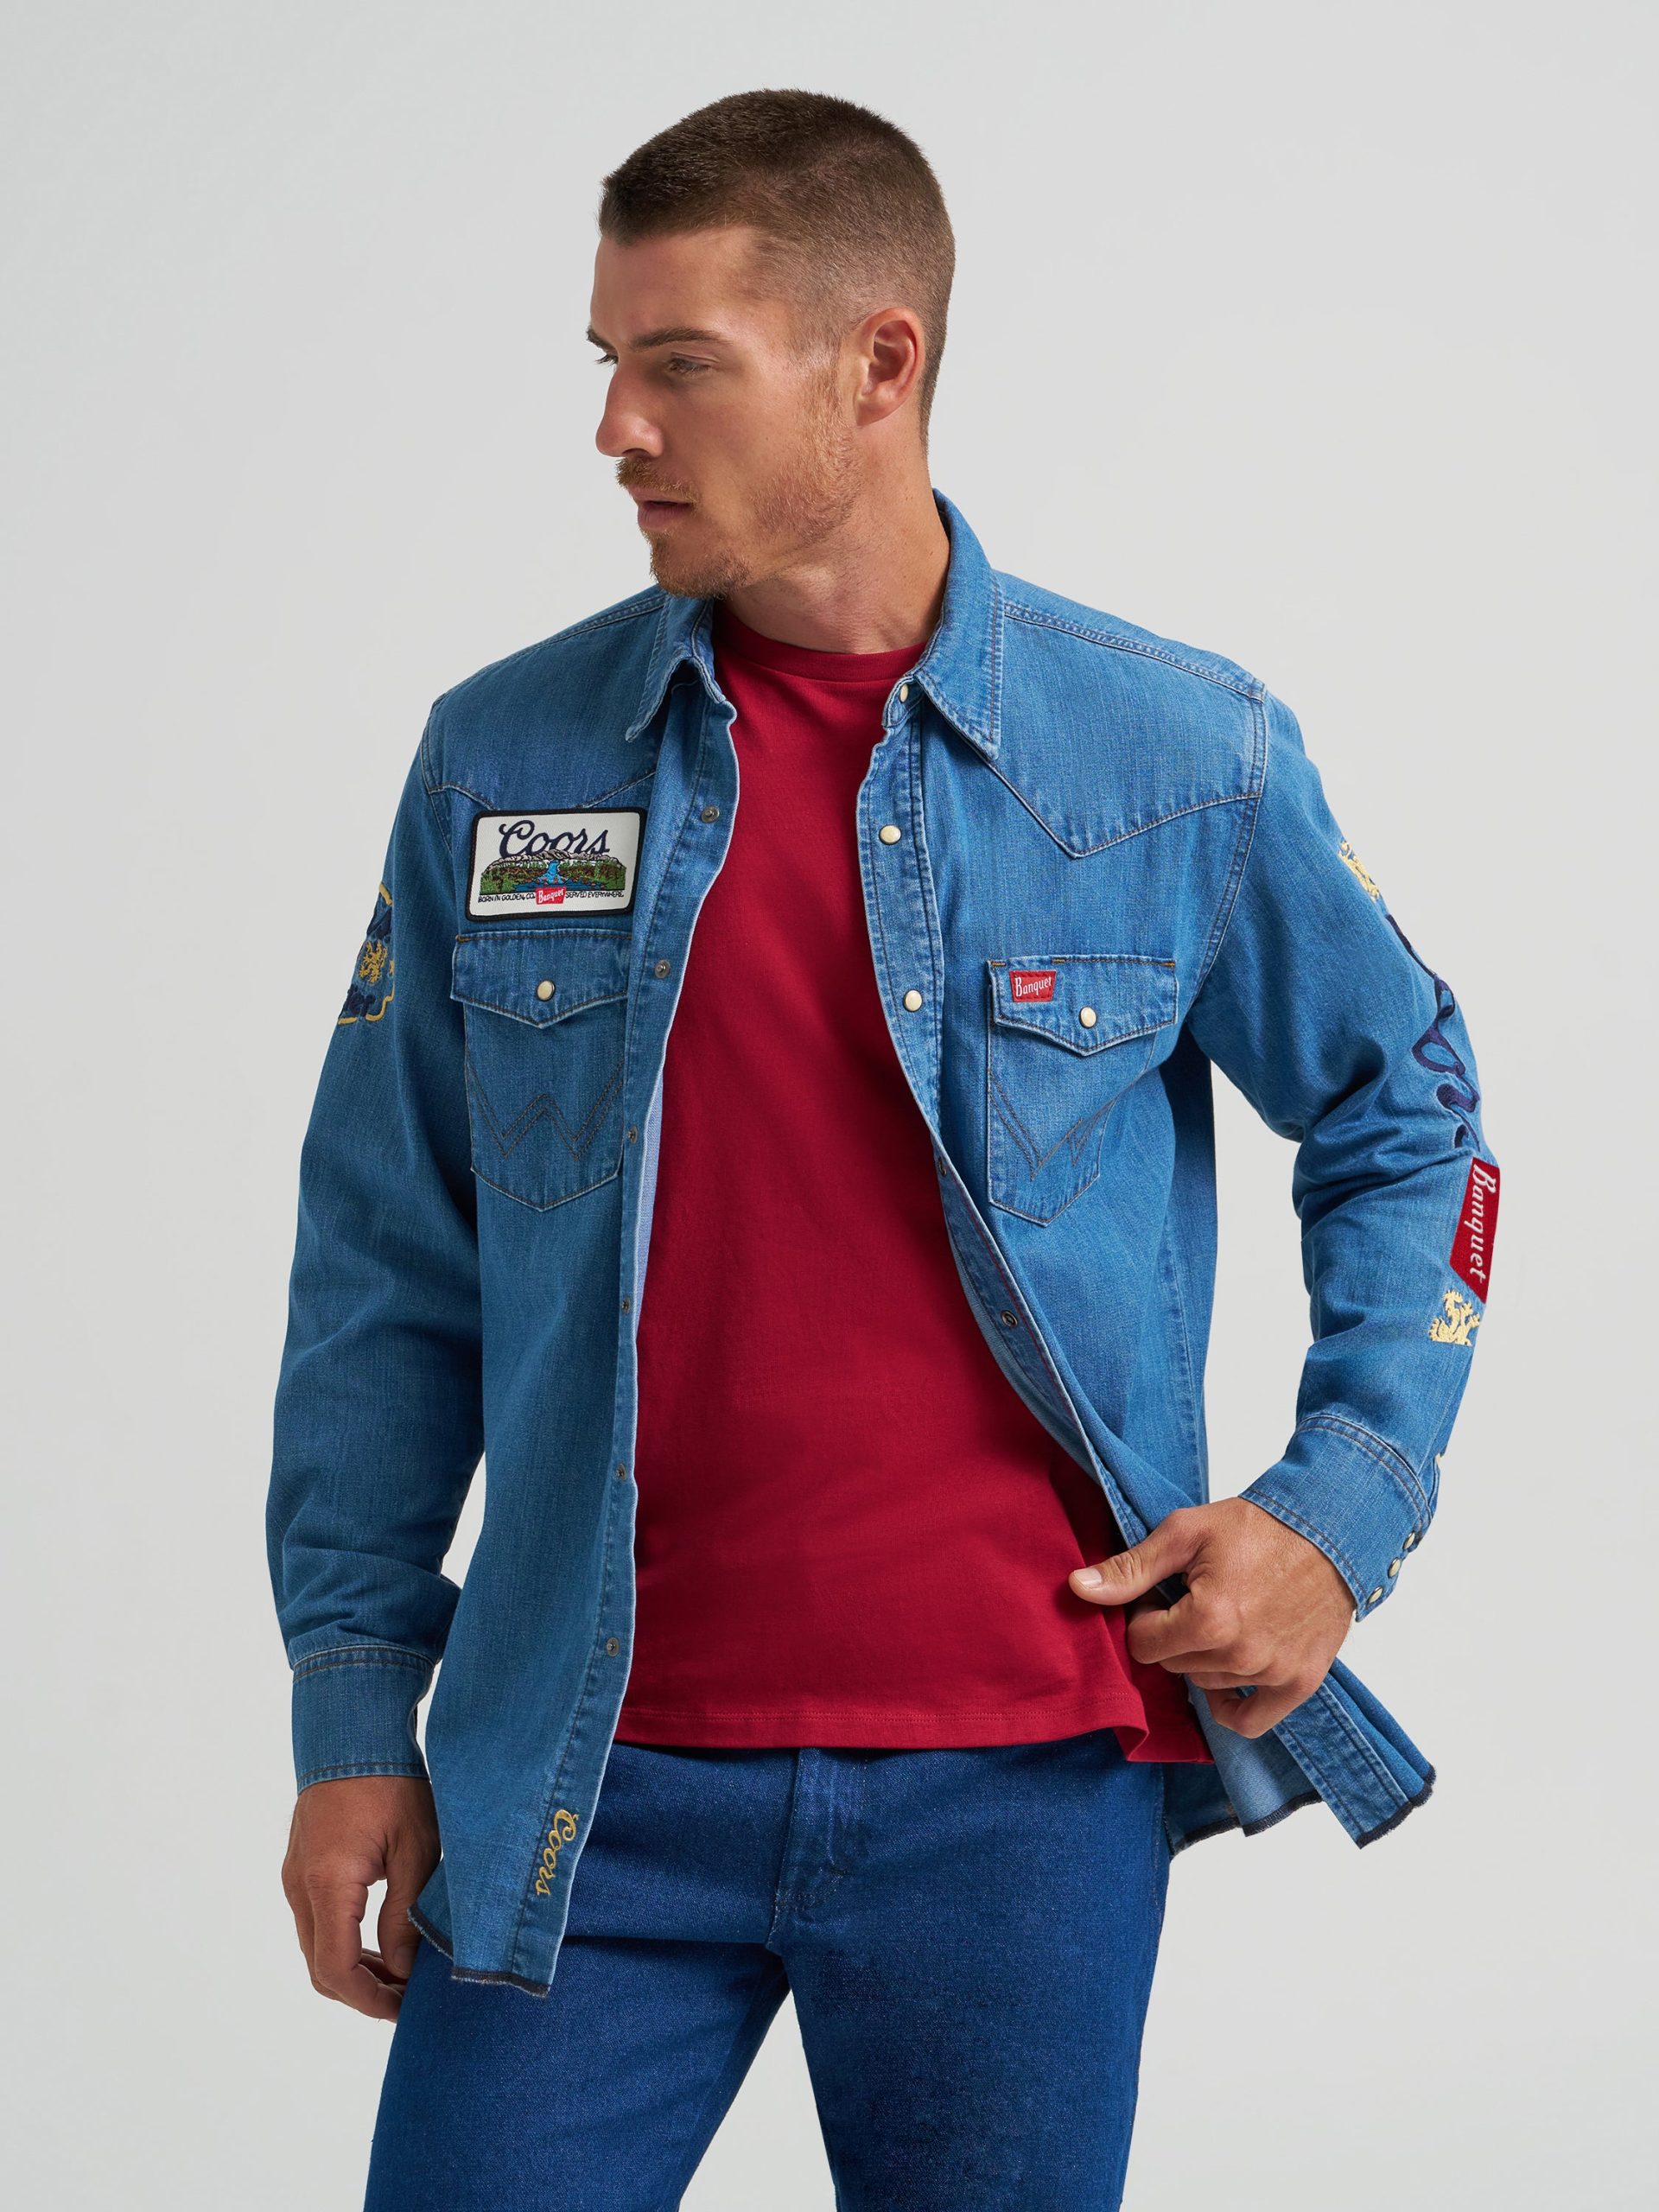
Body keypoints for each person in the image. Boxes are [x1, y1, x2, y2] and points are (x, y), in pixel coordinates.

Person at [267, 88, 1498, 2211]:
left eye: (680, 366)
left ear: (878, 361)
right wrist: (356, 1709)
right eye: (609, 362)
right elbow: (388, 1260)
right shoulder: (511, 757)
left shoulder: (1173, 752)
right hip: (582, 1776)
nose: (617, 430)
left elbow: (1419, 1110)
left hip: (1020, 1783)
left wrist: (1340, 1505)